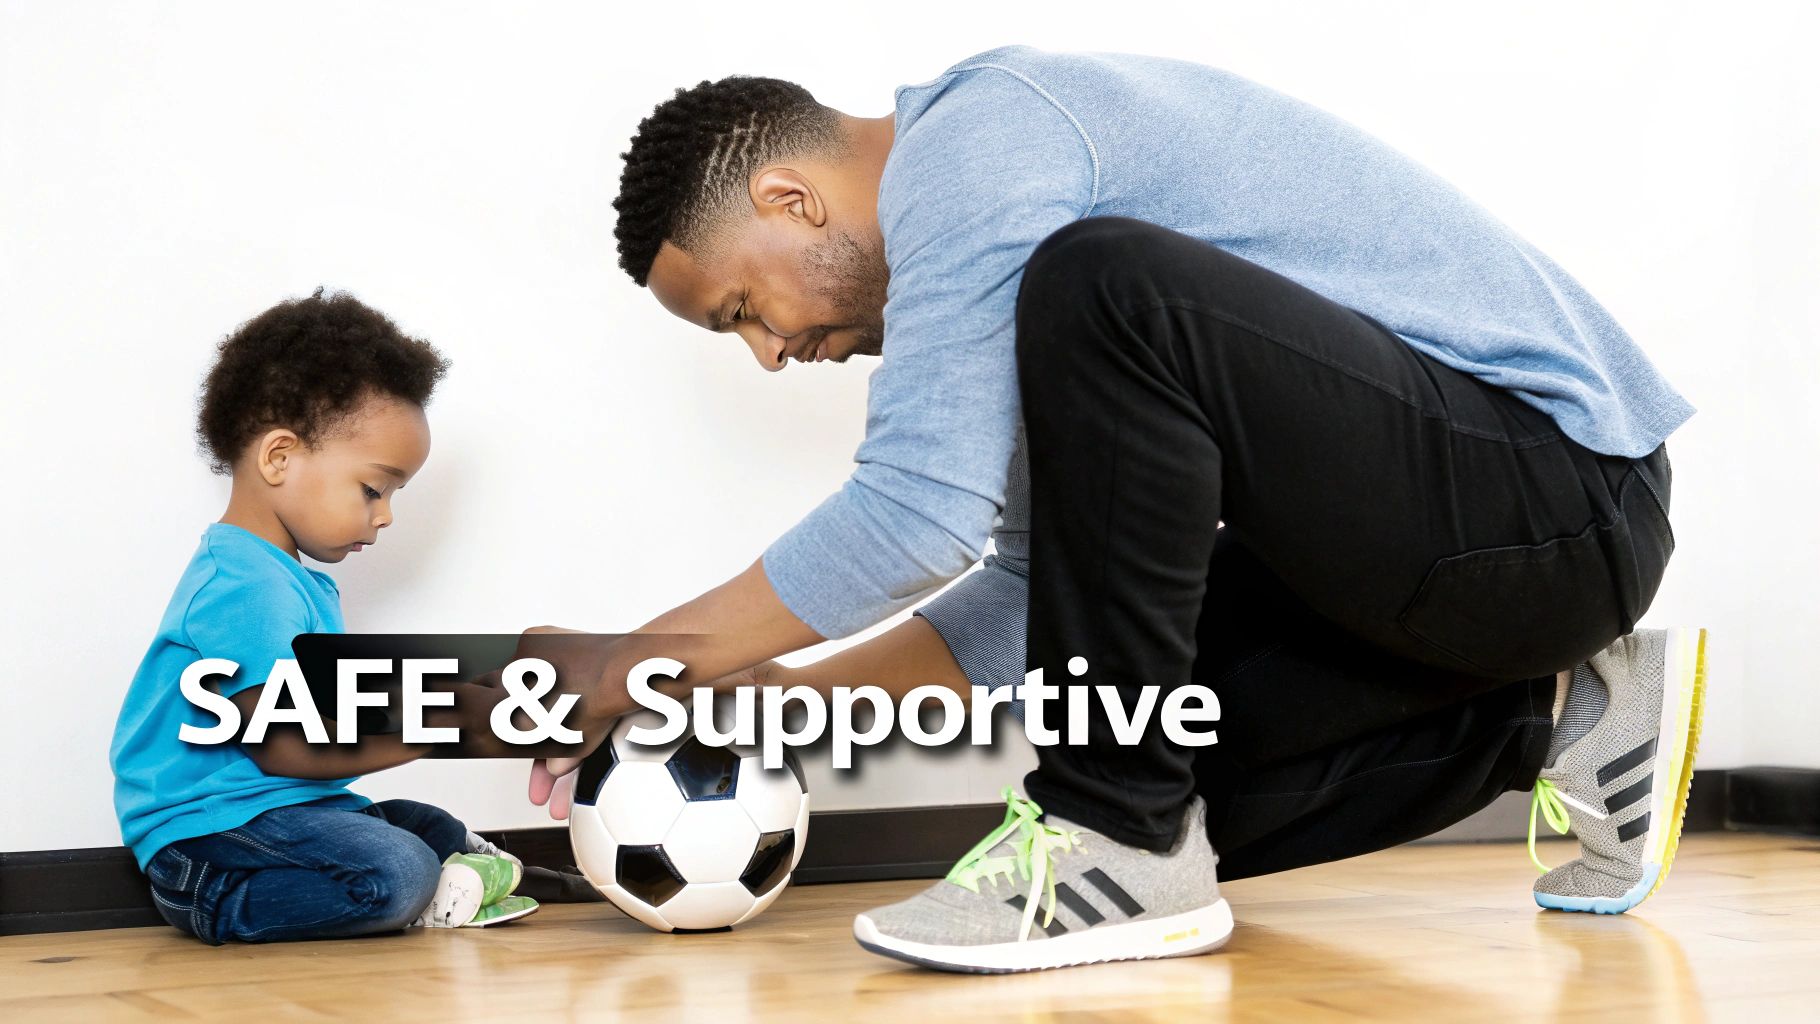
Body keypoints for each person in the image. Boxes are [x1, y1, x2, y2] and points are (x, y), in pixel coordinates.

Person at [537, 45, 1703, 972]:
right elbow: (1030, 580)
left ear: (789, 198)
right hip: (1461, 563)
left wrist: (643, 659)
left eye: (743, 305)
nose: (768, 355)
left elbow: (913, 511)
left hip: (1558, 492)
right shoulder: (1031, 302)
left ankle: (1119, 838)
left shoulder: (987, 139)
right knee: (1158, 764)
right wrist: (794, 700)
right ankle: (1560, 713)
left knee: (1103, 283)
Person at [110, 290, 537, 943]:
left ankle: (454, 873)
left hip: (278, 811)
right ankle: (226, 907)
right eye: (373, 488)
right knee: (399, 869)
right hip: (209, 835)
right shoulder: (243, 589)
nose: (386, 514)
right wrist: (439, 722)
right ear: (279, 457)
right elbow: (289, 745)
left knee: (426, 825)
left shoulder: (293, 583)